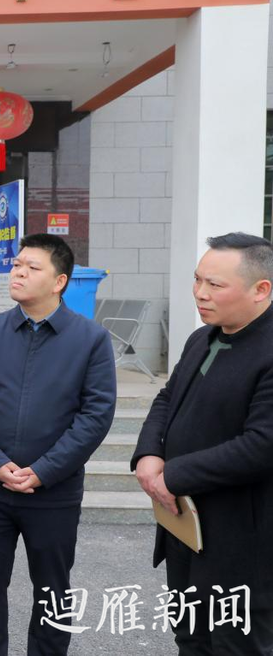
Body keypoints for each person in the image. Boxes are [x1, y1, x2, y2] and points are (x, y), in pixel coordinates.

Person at [0, 233, 116, 656]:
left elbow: (96, 415)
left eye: (32, 267)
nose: (19, 273)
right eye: (17, 264)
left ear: (59, 281)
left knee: (53, 594)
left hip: (53, 492)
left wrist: (44, 471)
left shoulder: (90, 339)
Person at [132, 232, 273, 654]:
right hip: (186, 527)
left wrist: (171, 476)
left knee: (235, 644)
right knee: (190, 638)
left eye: (215, 285)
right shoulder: (203, 338)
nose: (200, 293)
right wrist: (148, 455)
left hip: (244, 537)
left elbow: (261, 446)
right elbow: (167, 398)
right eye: (197, 280)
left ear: (261, 289)